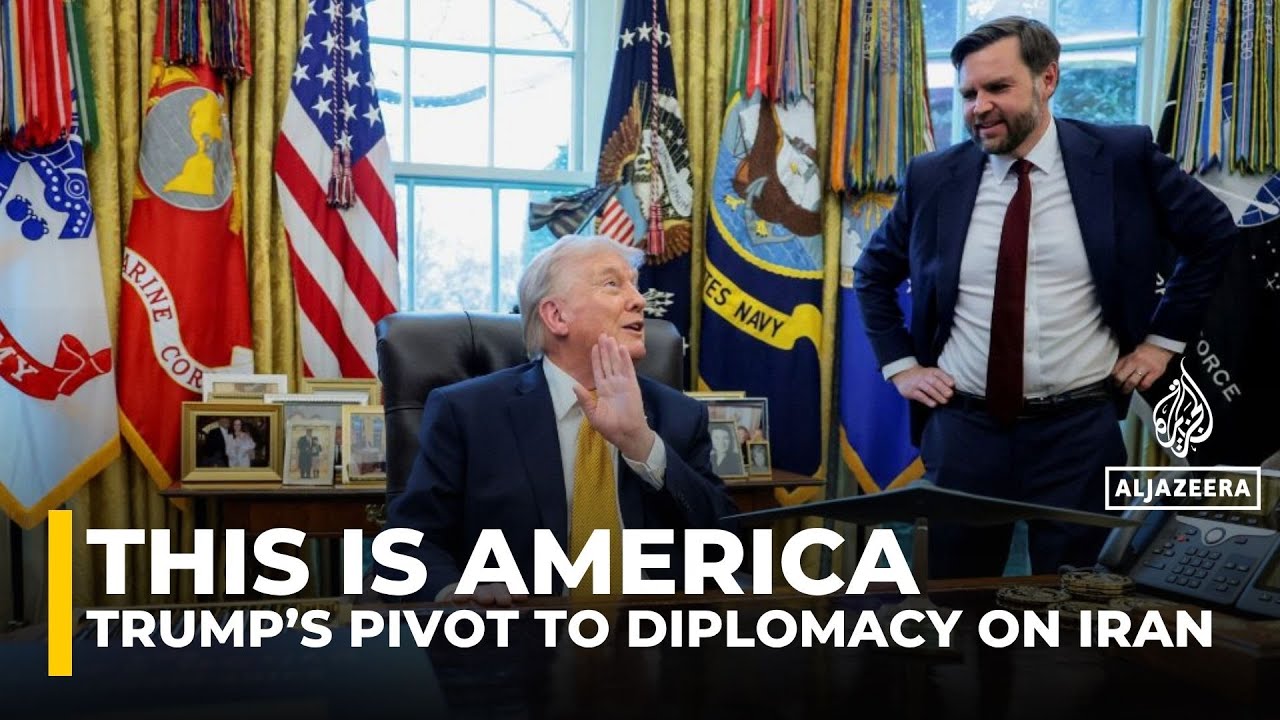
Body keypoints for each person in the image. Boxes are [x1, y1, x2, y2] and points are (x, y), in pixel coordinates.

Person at [853, 17, 1235, 579]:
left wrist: (1161, 343)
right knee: (956, 605)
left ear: (1047, 79)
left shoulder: (1122, 157)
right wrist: (902, 365)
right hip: (965, 433)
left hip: (1079, 435)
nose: (979, 107)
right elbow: (872, 274)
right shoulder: (933, 176)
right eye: (969, 93)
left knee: (1078, 609)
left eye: (997, 88)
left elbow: (1214, 235)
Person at [387, 234, 740, 604]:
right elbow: (408, 546)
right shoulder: (469, 413)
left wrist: (644, 446)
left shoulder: (679, 414)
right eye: (612, 284)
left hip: (654, 631)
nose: (638, 300)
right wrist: (455, 591)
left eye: (635, 285)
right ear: (556, 316)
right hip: (522, 629)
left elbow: (725, 547)